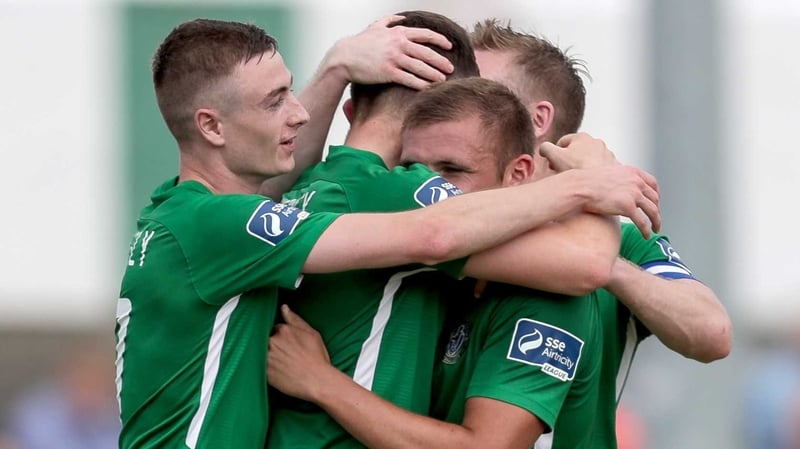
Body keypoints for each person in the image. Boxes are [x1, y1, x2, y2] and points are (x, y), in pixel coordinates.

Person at [116, 17, 659, 449]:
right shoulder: (384, 192)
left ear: (353, 105)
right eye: (275, 99)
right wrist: (588, 184)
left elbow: (282, 182)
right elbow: (575, 262)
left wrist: (335, 68)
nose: (302, 113)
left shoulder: (224, 206)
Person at [268, 77, 608, 449]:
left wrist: (322, 382)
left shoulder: (548, 294)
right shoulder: (425, 265)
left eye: (451, 170)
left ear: (518, 174)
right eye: (411, 167)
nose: (426, 190)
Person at [469, 19, 732, 447]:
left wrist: (600, 266)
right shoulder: (445, 218)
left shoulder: (621, 239)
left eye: (477, 87)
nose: (454, 98)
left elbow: (712, 334)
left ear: (539, 119)